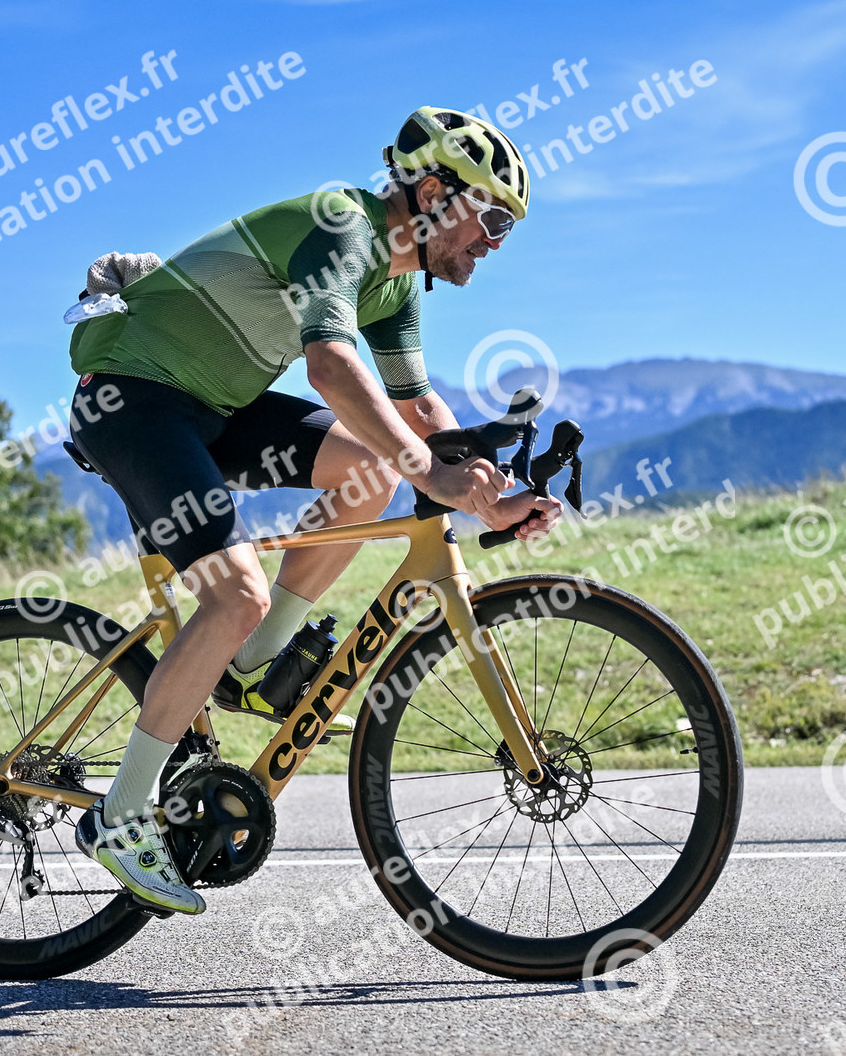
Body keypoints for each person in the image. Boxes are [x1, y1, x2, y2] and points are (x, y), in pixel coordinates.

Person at [63, 107, 561, 914]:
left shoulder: (395, 282)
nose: (497, 241)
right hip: (133, 401)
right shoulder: (342, 224)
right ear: (433, 192)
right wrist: (434, 477)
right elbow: (330, 367)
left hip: (214, 407)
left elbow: (417, 409)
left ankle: (254, 664)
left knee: (371, 468)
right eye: (493, 217)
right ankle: (121, 815)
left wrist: (490, 493)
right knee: (236, 594)